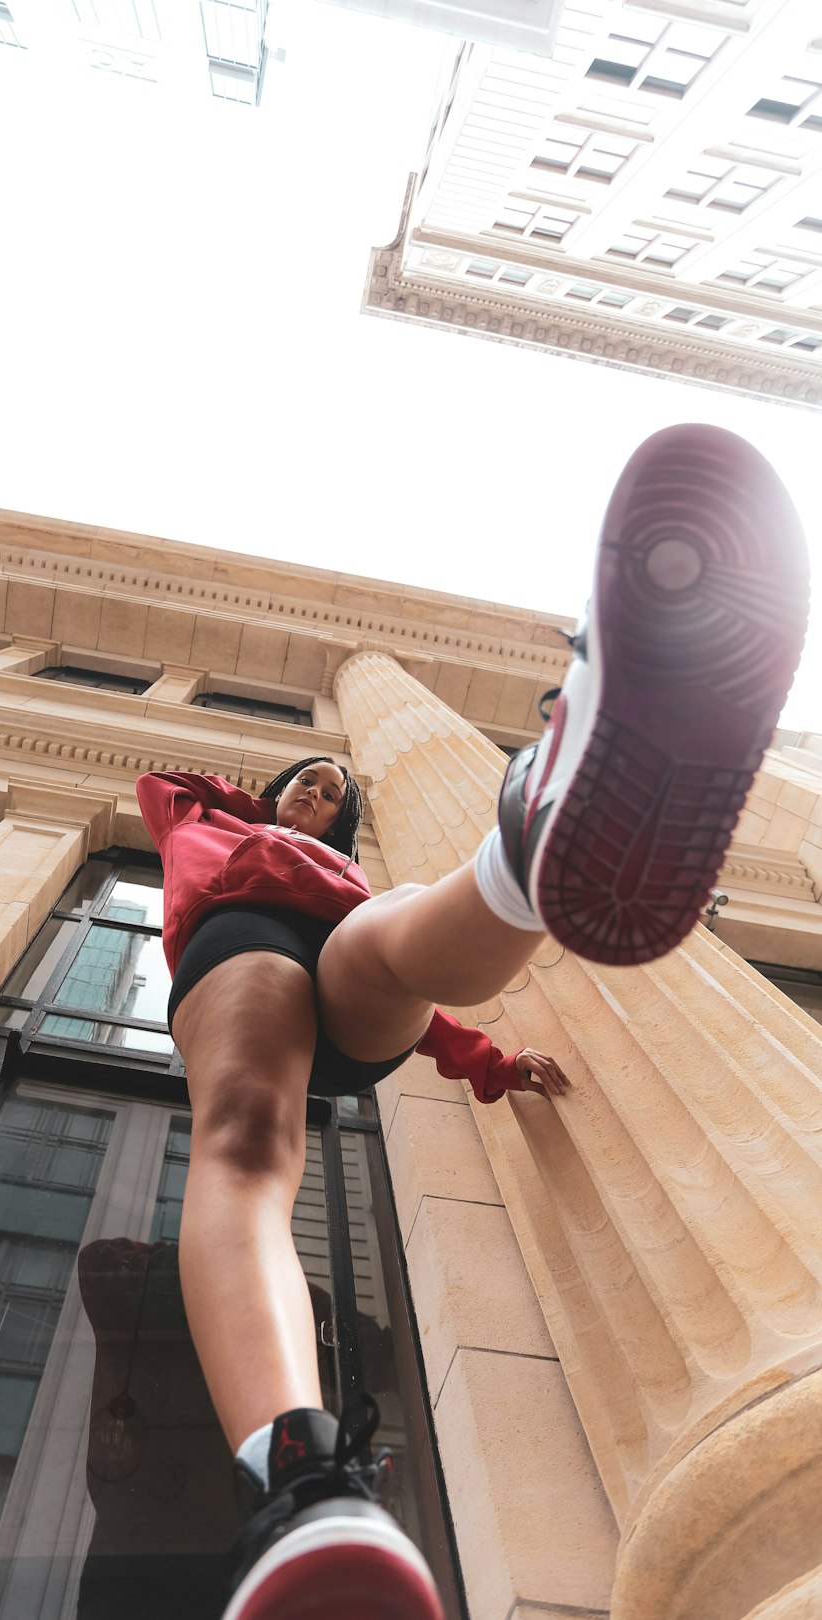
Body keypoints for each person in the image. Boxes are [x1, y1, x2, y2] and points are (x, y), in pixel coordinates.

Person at [135, 424, 809, 1620]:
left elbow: (434, 1018)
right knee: (246, 1140)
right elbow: (168, 795)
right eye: (309, 780)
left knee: (398, 927)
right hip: (245, 955)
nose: (318, 792)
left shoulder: (344, 869)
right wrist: (263, 808)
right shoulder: (217, 819)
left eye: (334, 793)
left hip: (355, 957)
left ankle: (531, 845)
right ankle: (302, 1481)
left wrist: (493, 1063)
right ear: (272, 786)